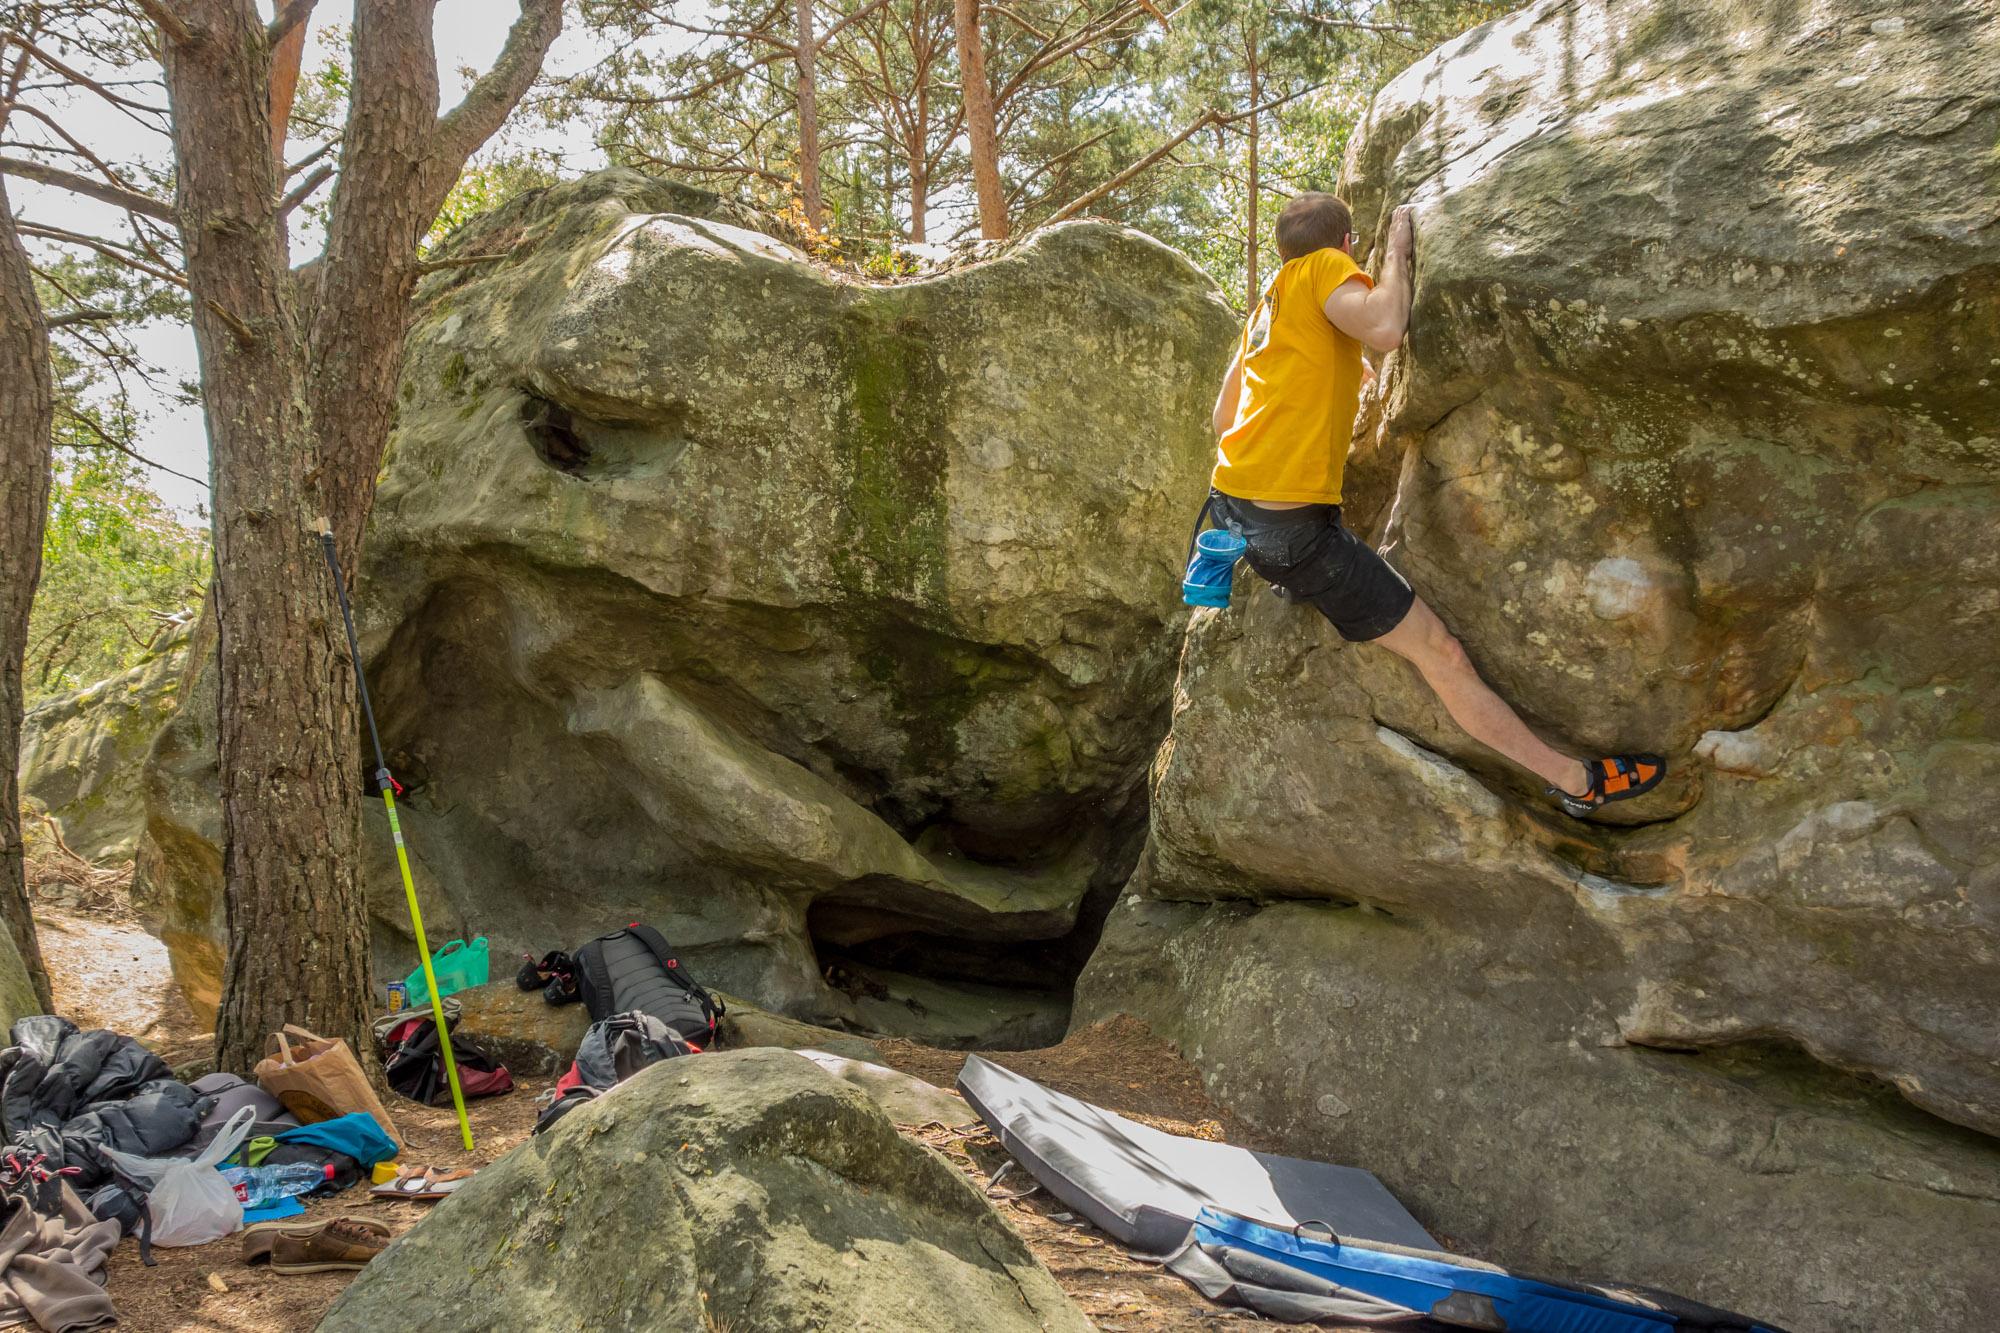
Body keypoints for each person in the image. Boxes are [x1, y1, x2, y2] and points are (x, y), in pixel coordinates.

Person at [1207, 192, 1664, 818]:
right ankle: (1579, 783)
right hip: (1297, 536)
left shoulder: (1270, 301)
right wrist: (1395, 252)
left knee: (1298, 547)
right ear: (1345, 247)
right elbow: (1388, 327)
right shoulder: (1323, 270)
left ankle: (1290, 578)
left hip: (1233, 508)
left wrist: (1336, 366)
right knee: (1441, 654)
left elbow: (1224, 417)